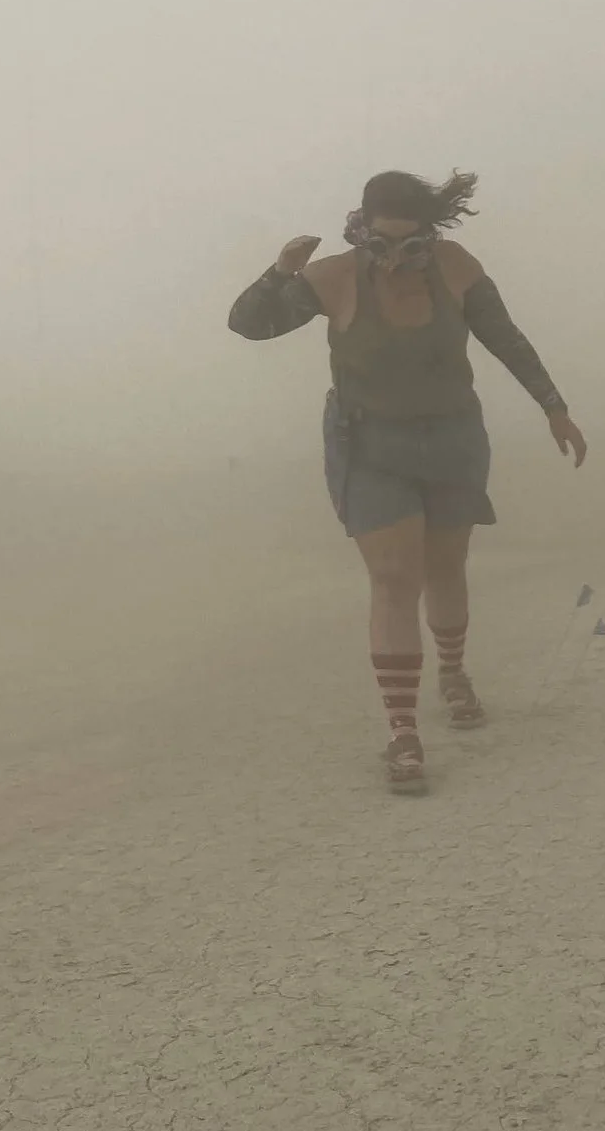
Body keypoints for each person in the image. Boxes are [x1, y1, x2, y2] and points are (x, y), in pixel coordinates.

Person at [228, 169, 585, 792]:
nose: (394, 261)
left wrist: (554, 406)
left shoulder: (456, 269)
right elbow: (250, 325)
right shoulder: (335, 276)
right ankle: (402, 731)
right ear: (362, 231)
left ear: (429, 233)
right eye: (380, 245)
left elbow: (506, 340)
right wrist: (280, 271)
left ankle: (453, 672)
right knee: (395, 577)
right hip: (371, 444)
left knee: (445, 567)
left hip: (451, 437)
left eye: (410, 246)